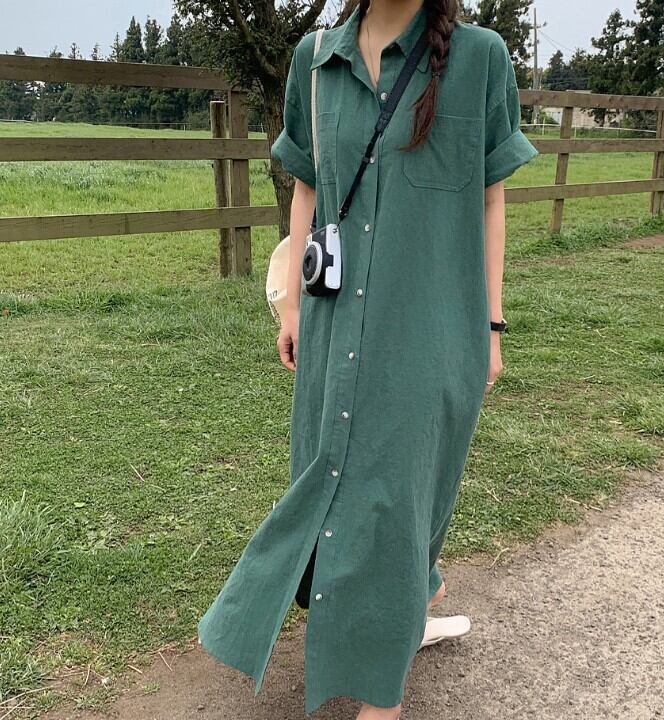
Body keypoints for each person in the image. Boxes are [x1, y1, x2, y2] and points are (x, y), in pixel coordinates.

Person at [197, 0, 539, 718]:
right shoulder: (314, 60)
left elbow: (491, 199)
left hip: (432, 326)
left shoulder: (480, 57)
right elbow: (307, 187)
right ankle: (411, 601)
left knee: (401, 486)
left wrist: (491, 325)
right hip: (333, 320)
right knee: (326, 474)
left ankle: (385, 688)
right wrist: (293, 305)